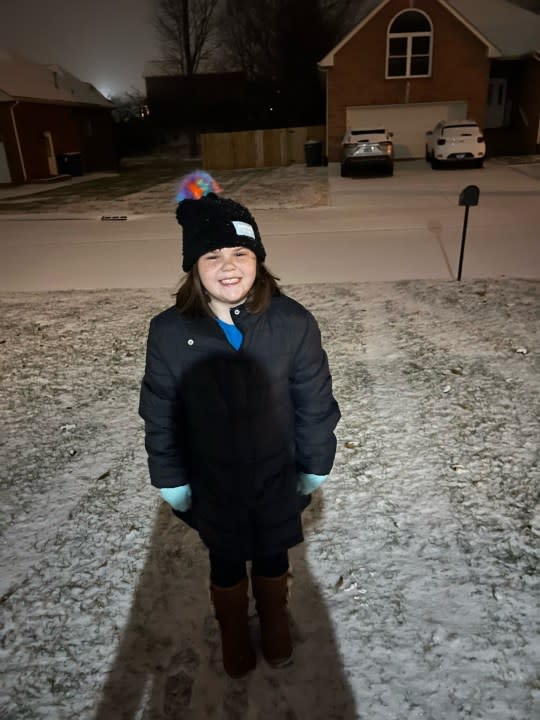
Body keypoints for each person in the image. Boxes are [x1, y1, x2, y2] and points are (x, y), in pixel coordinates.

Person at [139, 171, 340, 679]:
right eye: (212, 257)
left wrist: (314, 466)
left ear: (258, 261)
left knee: (272, 551)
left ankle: (273, 614)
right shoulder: (169, 332)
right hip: (212, 479)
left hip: (277, 471)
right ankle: (232, 625)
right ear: (193, 269)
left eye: (240, 254)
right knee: (226, 556)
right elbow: (160, 408)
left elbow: (314, 399)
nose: (227, 267)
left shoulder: (293, 322)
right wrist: (171, 478)